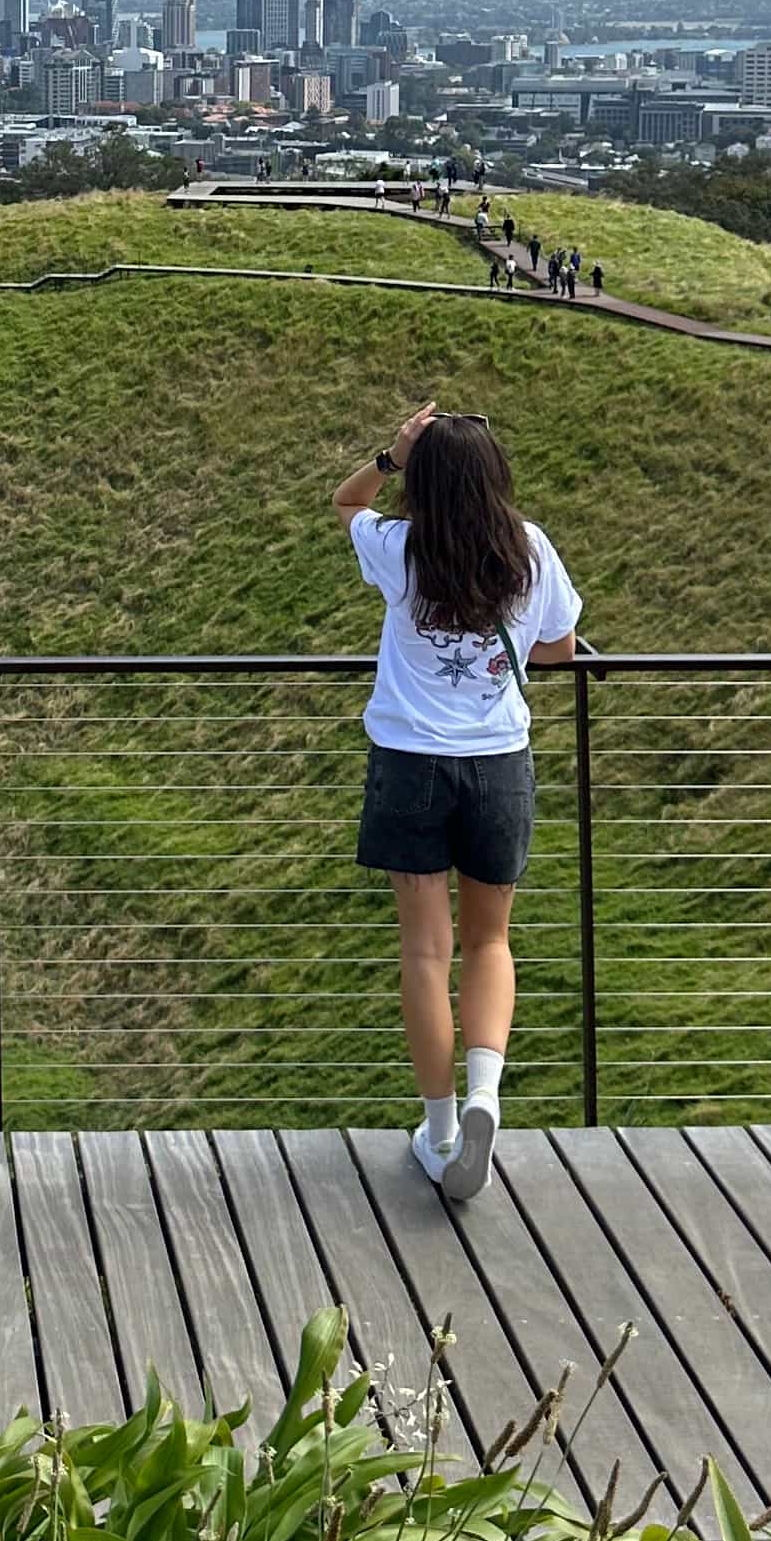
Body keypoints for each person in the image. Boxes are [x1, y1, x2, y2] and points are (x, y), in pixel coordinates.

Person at [331, 402, 582, 1207]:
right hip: (498, 763)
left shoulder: (400, 546)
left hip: (410, 763)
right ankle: (485, 1093)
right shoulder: (529, 548)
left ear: (427, 477)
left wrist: (391, 455)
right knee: (490, 941)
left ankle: (440, 1133)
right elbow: (558, 648)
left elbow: (346, 502)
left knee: (426, 953)